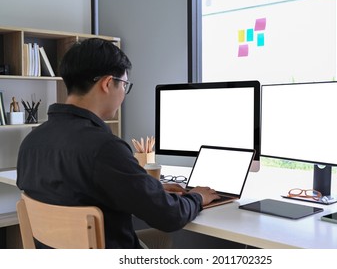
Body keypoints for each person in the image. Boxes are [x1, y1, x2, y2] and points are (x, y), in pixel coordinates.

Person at [16, 38, 219, 249]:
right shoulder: (104, 148)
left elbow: (74, 191)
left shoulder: (31, 142)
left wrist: (149, 188)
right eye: (124, 85)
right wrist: (196, 197)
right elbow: (169, 217)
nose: (124, 93)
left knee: (159, 241)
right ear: (106, 83)